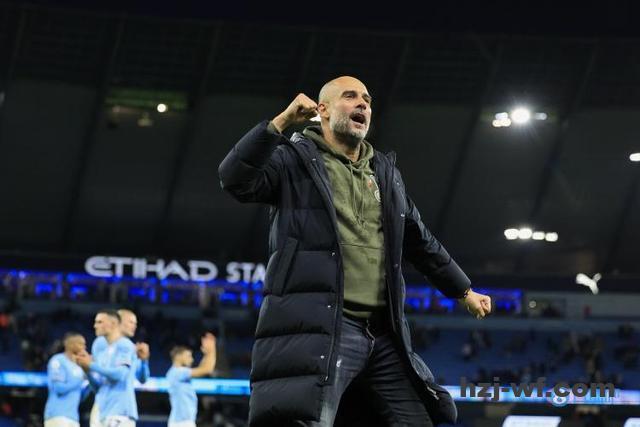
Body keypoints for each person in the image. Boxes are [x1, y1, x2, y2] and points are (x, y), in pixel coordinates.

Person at [219, 76, 492, 426]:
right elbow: (235, 179)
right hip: (326, 329)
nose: (363, 103)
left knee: (418, 419)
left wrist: (463, 290)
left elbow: (418, 238)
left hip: (384, 333)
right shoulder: (293, 161)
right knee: (307, 419)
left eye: (367, 99)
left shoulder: (385, 173)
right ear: (323, 110)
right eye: (350, 97)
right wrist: (281, 122)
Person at [88, 309, 149, 427]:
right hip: (101, 405)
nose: (134, 326)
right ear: (118, 322)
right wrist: (88, 370)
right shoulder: (100, 343)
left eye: (135, 323)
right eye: (131, 322)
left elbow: (142, 379)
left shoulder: (129, 347)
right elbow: (99, 379)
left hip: (120, 407)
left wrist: (144, 361)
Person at [77, 309, 137, 427]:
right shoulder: (102, 350)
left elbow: (121, 374)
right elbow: (97, 387)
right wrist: (87, 370)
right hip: (103, 411)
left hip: (120, 412)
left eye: (100, 322)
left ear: (113, 324)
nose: (95, 326)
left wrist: (91, 365)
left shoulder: (125, 345)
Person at [166, 333, 217, 427]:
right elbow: (207, 369)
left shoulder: (177, 373)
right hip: (181, 423)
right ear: (178, 356)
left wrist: (207, 355)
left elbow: (202, 368)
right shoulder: (177, 372)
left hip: (183, 422)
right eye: (188, 356)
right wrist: (212, 349)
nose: (192, 359)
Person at [44, 333, 89, 427]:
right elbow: (58, 388)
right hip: (57, 415)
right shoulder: (58, 360)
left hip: (73, 417)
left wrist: (88, 382)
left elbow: (81, 396)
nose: (84, 347)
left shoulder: (79, 366)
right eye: (80, 344)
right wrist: (80, 380)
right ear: (69, 344)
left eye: (84, 344)